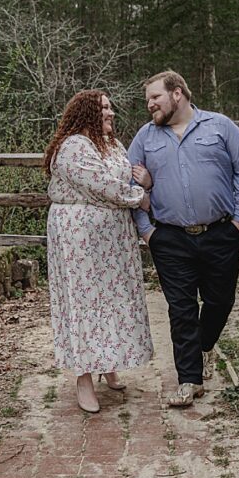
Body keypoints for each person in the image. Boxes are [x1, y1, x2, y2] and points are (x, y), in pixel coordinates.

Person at [128, 70, 239, 407]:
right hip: (169, 237)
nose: (150, 105)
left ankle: (204, 347)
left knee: (220, 301)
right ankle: (189, 380)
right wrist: (146, 230)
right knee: (181, 309)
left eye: (155, 97)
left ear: (177, 93)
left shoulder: (220, 126)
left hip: (220, 232)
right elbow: (127, 184)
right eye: (147, 101)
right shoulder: (145, 137)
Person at [44, 90, 154, 413]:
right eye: (104, 107)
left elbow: (120, 181)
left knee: (110, 301)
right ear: (87, 112)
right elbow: (103, 186)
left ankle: (109, 364)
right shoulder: (74, 146)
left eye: (110, 106)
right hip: (79, 241)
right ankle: (84, 378)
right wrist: (139, 198)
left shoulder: (113, 145)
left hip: (111, 244)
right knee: (84, 304)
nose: (111, 112)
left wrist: (141, 185)